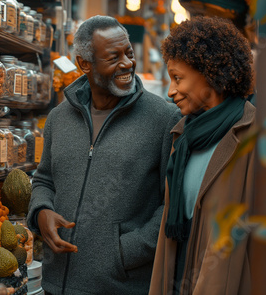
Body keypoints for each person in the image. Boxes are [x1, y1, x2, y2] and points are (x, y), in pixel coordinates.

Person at [27, 15, 181, 294]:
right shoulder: (58, 118)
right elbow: (44, 179)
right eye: (114, 57)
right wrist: (41, 211)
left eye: (129, 53)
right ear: (84, 64)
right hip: (54, 282)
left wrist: (122, 252)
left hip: (119, 286)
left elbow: (171, 204)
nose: (127, 63)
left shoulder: (164, 119)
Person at [149, 16, 256, 295]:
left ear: (209, 72)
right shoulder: (182, 137)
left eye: (178, 78)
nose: (171, 91)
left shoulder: (253, 135)